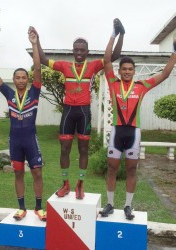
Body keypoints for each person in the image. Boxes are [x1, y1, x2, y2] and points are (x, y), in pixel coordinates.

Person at [28, 25, 124, 199]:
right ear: (73, 51)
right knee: (64, 149)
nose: (79, 52)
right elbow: (42, 59)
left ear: (87, 51)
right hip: (68, 112)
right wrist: (37, 40)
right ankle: (65, 184)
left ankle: (80, 183)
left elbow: (114, 56)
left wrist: (120, 34)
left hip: (84, 112)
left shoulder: (94, 65)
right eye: (76, 49)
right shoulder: (64, 66)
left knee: (83, 149)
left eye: (82, 49)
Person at [99, 18, 176, 220]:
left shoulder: (142, 85)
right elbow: (107, 60)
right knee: (112, 168)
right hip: (117, 131)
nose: (126, 72)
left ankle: (127, 206)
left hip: (133, 132)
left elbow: (166, 74)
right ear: (120, 71)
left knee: (132, 168)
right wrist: (113, 35)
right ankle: (109, 204)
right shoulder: (113, 82)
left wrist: (175, 52)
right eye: (123, 69)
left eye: (130, 69)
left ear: (133, 72)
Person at [0, 31, 47, 221]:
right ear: (14, 79)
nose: (20, 80)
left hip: (30, 139)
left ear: (28, 79)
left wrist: (34, 44)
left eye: (23, 77)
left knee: (37, 172)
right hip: (15, 141)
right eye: (17, 77)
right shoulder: (8, 93)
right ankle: (21, 208)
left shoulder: (34, 92)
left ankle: (39, 208)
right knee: (18, 173)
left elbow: (38, 70)